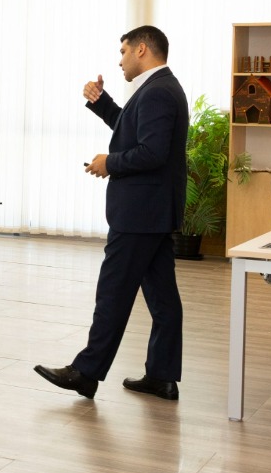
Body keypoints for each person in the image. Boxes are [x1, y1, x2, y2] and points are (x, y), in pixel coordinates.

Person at [35, 25, 189, 402]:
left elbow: (151, 153)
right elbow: (134, 132)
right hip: (153, 212)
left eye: (122, 52)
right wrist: (101, 102)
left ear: (141, 49)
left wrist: (110, 163)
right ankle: (162, 376)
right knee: (163, 300)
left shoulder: (157, 91)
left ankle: (85, 373)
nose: (120, 61)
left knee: (113, 294)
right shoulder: (160, 88)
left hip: (140, 214)